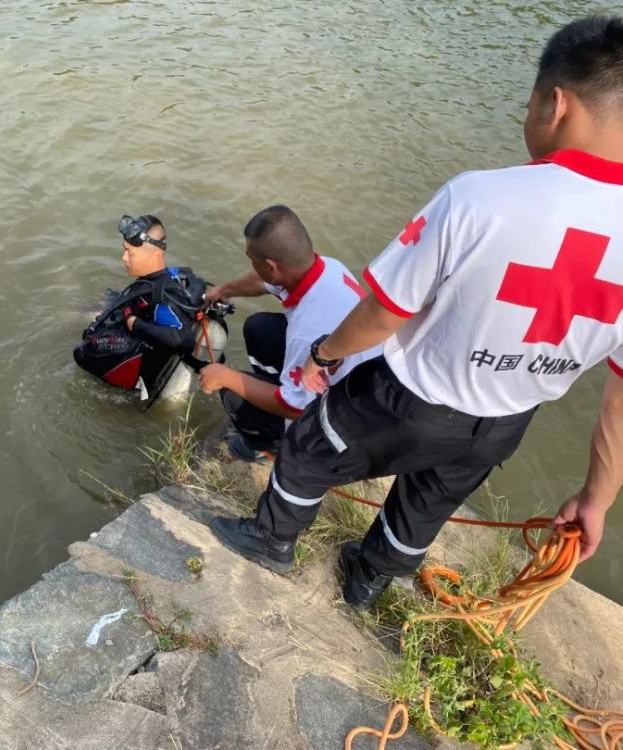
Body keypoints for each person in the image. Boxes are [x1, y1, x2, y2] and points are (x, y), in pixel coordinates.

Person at [209, 15, 623, 608]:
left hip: (413, 397)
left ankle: (271, 541)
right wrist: (596, 497)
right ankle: (368, 579)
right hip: (507, 422)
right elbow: (620, 396)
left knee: (306, 450)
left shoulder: (480, 197)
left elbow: (385, 310)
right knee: (427, 500)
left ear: (556, 104)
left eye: (530, 103)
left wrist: (325, 356)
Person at [198, 206, 381, 461]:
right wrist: (224, 291)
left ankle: (274, 445)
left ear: (272, 267)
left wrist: (226, 377)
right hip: (359, 379)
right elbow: (262, 282)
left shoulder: (307, 331)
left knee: (232, 394)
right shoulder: (327, 267)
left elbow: (294, 406)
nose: (251, 263)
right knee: (259, 328)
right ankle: (272, 397)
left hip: (351, 420)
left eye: (253, 259)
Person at [74, 214, 226, 402]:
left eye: (130, 253)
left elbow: (181, 341)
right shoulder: (176, 275)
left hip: (152, 364)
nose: (124, 258)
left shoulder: (160, 299)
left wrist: (133, 323)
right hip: (145, 313)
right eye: (124, 250)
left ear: (155, 254)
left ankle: (69, 315)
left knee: (83, 338)